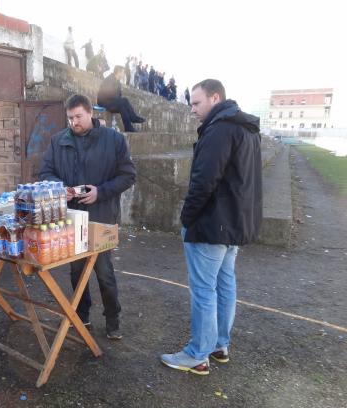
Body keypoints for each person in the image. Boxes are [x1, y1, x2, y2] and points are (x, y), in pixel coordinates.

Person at [161, 79, 262, 375]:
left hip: (212, 224)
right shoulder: (245, 128)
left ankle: (197, 354)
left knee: (205, 290)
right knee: (224, 283)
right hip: (233, 225)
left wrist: (187, 217)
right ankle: (219, 344)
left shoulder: (219, 130)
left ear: (215, 98)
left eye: (196, 103)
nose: (192, 109)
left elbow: (204, 181)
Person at [38, 94, 136, 339]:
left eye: (78, 117)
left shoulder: (113, 140)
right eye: (70, 118)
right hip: (71, 217)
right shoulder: (58, 141)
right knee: (76, 272)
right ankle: (81, 316)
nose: (74, 122)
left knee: (104, 272)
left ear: (90, 113)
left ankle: (112, 321)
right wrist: (60, 187)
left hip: (101, 216)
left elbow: (128, 175)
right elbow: (45, 172)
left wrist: (100, 192)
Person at [97, 65, 145, 132]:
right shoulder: (109, 79)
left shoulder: (118, 82)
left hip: (112, 102)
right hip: (104, 102)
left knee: (122, 106)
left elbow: (119, 95)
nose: (124, 74)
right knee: (124, 100)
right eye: (123, 72)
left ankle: (128, 127)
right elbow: (107, 94)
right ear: (118, 72)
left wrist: (118, 100)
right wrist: (118, 99)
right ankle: (133, 117)